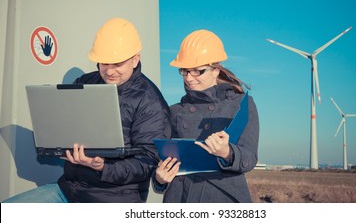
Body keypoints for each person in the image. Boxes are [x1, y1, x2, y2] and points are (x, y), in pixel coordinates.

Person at [3, 18, 171, 203]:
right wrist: (57, 143)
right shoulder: (85, 82)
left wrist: (102, 167)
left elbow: (148, 161)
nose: (109, 71)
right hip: (68, 190)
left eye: (117, 64)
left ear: (135, 60)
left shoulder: (150, 101)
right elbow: (66, 126)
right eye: (103, 63)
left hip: (113, 199)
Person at [153, 29, 259, 203]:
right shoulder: (174, 111)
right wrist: (159, 179)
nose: (189, 78)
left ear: (215, 71)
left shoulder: (240, 105)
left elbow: (249, 157)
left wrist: (227, 152)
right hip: (179, 198)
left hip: (221, 196)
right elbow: (160, 162)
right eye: (184, 71)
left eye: (197, 71)